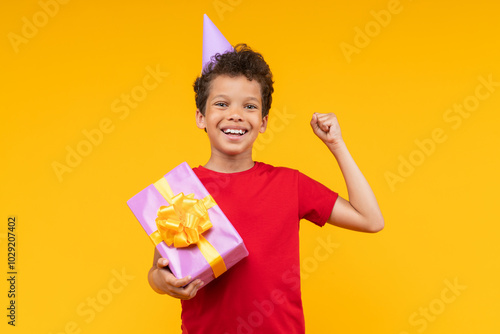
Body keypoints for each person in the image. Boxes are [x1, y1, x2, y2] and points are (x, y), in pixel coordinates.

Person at [148, 43, 384, 333]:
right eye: (222, 104)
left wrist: (337, 146)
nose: (235, 114)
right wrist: (165, 284)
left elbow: (370, 219)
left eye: (249, 106)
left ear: (263, 122)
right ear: (201, 117)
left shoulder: (289, 184)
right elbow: (158, 271)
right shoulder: (181, 190)